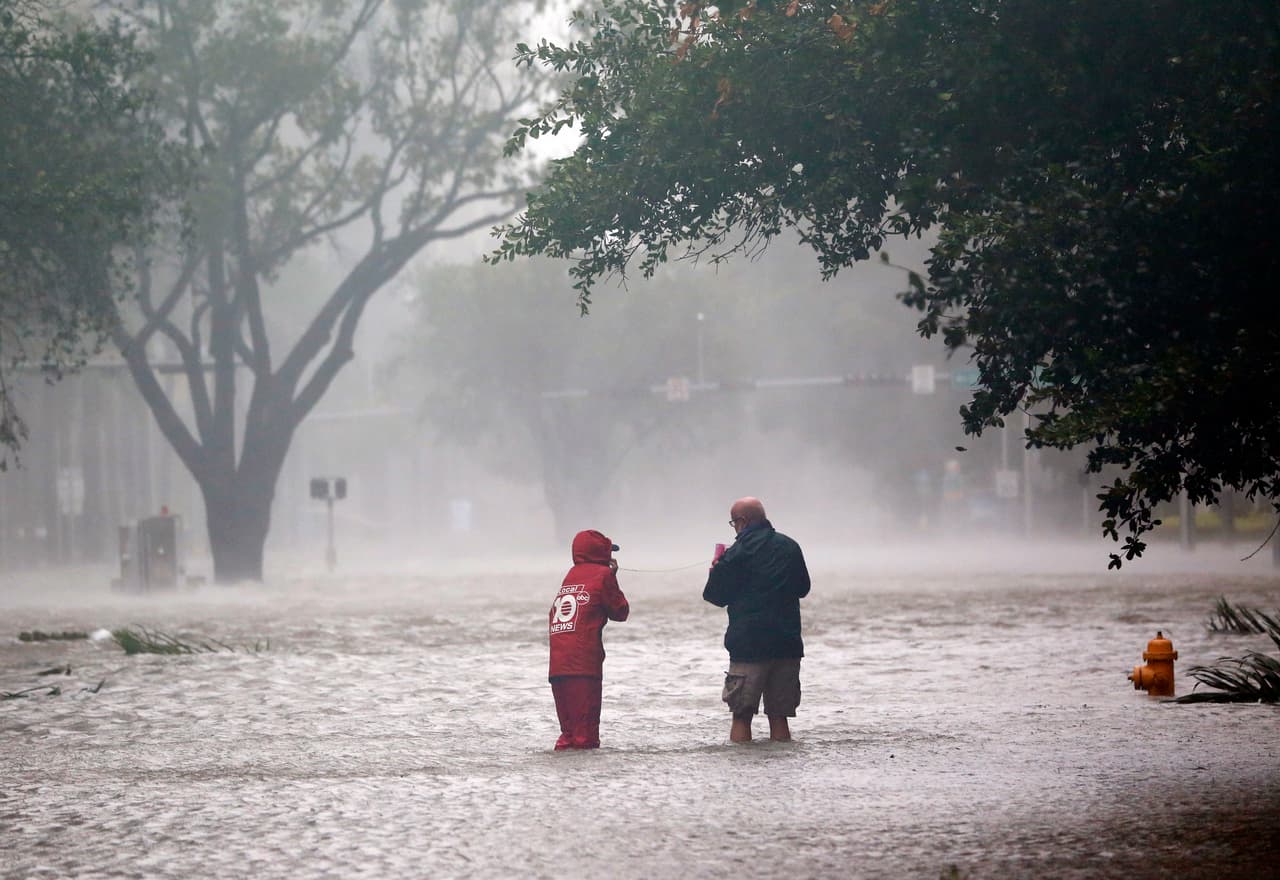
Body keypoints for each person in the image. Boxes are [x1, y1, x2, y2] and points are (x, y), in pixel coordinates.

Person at [703, 497, 810, 743]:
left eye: (733, 523)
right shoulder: (790, 547)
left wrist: (715, 570)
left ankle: (744, 777)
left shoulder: (735, 554)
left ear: (742, 521)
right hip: (787, 643)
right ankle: (782, 774)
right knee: (779, 716)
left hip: (748, 646)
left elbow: (715, 597)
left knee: (741, 715)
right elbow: (803, 588)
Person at [548, 529, 630, 750]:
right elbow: (620, 611)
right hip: (583, 667)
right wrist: (612, 576)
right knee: (586, 737)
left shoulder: (571, 575)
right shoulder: (603, 575)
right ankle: (586, 782)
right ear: (601, 553)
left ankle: (561, 779)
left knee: (568, 735)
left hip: (558, 667)